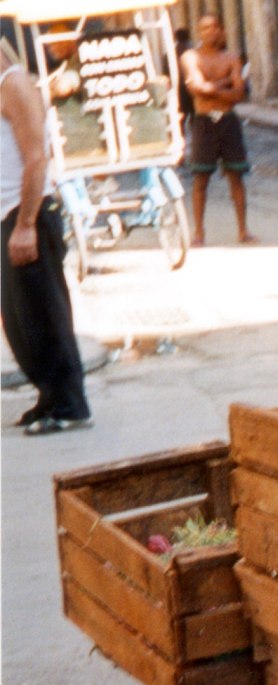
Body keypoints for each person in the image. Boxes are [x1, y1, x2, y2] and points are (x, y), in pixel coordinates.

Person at [1, 48, 92, 435]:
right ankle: (49, 396)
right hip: (7, 216)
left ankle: (70, 404)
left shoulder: (14, 83)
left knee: (45, 314)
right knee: (22, 320)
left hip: (26, 212)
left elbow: (36, 157)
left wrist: (26, 224)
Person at [181, 14, 254, 247]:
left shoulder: (231, 58)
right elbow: (196, 90)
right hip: (204, 121)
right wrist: (223, 85)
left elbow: (238, 94)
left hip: (228, 121)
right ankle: (199, 232)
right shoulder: (190, 57)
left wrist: (209, 88)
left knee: (236, 177)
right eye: (203, 28)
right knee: (200, 178)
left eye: (213, 28)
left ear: (221, 31)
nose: (208, 32)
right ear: (198, 32)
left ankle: (243, 230)